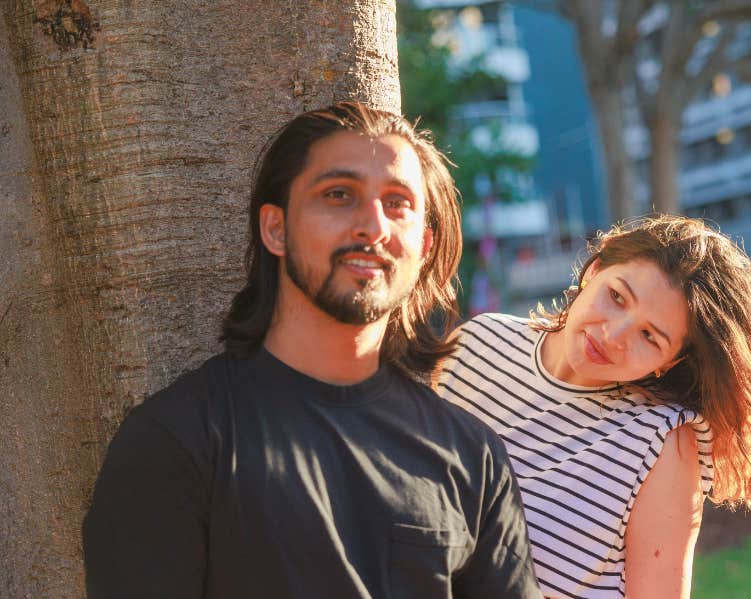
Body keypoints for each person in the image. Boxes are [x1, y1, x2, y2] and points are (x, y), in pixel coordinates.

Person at [83, 102, 541, 599]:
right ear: (275, 229)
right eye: (339, 195)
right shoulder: (177, 439)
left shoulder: (472, 456)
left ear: (424, 245)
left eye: (397, 203)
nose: (373, 226)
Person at [436, 215, 751, 598]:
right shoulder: (475, 344)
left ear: (671, 361)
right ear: (596, 270)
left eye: (649, 336)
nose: (613, 334)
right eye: (617, 296)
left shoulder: (662, 440)